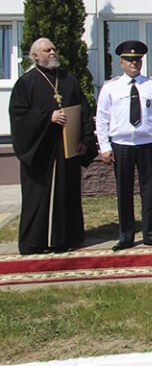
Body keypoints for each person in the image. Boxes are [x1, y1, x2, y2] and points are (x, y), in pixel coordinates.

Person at [9, 38, 97, 255]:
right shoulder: (26, 83)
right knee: (39, 196)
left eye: (54, 49)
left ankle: (64, 238)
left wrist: (84, 140)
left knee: (66, 194)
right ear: (35, 56)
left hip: (66, 148)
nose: (52, 53)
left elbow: (84, 111)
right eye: (47, 50)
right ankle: (35, 242)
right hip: (41, 150)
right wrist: (47, 117)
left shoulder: (68, 80)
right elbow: (19, 115)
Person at [96, 40, 152, 252]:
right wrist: (104, 147)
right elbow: (102, 118)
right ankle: (126, 236)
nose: (134, 63)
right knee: (124, 192)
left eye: (137, 60)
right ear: (121, 62)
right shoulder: (110, 87)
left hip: (147, 144)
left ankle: (151, 235)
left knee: (148, 191)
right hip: (121, 145)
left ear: (142, 61)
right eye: (129, 60)